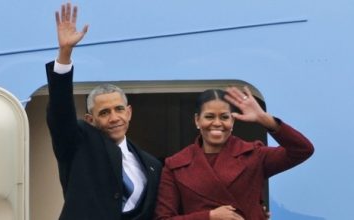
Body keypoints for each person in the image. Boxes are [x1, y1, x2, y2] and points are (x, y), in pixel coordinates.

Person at [45, 3, 162, 220]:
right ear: (91, 119)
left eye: (119, 109)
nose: (114, 117)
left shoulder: (152, 164)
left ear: (129, 112)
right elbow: (61, 115)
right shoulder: (78, 144)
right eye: (104, 112)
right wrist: (64, 54)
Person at [154, 86, 314, 220]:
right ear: (197, 120)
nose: (217, 123)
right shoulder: (175, 165)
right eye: (209, 116)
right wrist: (210, 216)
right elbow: (164, 218)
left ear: (232, 121)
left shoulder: (254, 155)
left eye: (224, 117)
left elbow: (302, 150)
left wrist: (265, 119)